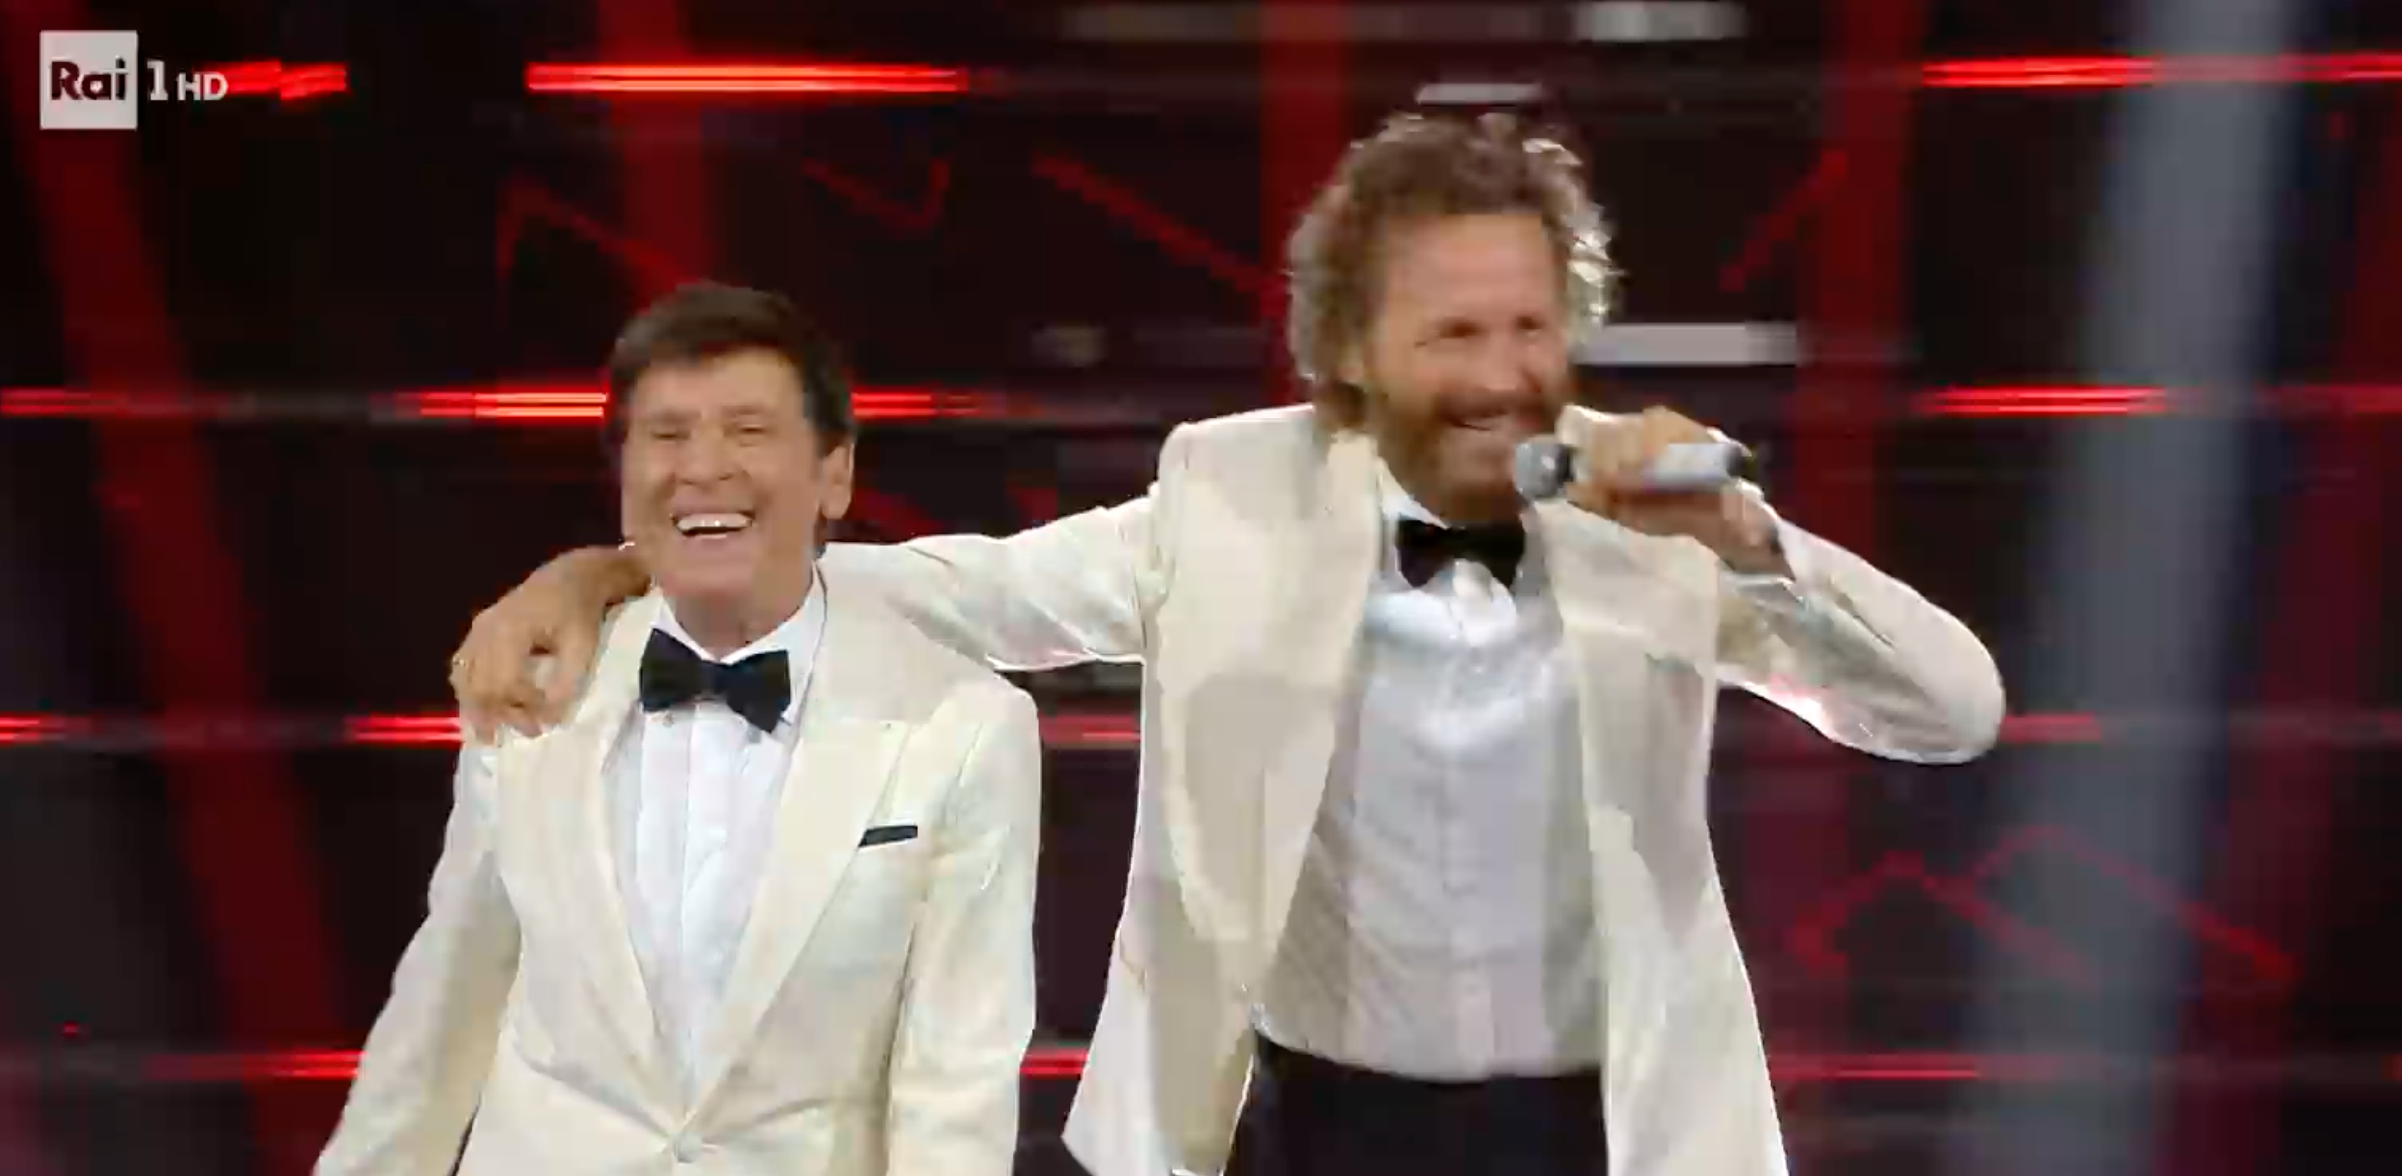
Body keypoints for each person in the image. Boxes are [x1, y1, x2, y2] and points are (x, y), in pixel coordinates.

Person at [447, 114, 2004, 1176]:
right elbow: (939, 593)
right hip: (1307, 1125)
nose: (1504, 375)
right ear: (1348, 350)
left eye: (1531, 327)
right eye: (1453, 334)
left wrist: (1751, 538)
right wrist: (608, 572)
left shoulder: (1651, 510)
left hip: (1608, 1128)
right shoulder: (1226, 496)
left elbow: (1950, 712)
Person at [319, 283, 1042, 1175]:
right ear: (625, 481)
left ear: (835, 475)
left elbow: (957, 1089)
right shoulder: (533, 685)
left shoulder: (964, 728)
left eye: (748, 430)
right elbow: (442, 1014)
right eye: (666, 435)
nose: (702, 467)